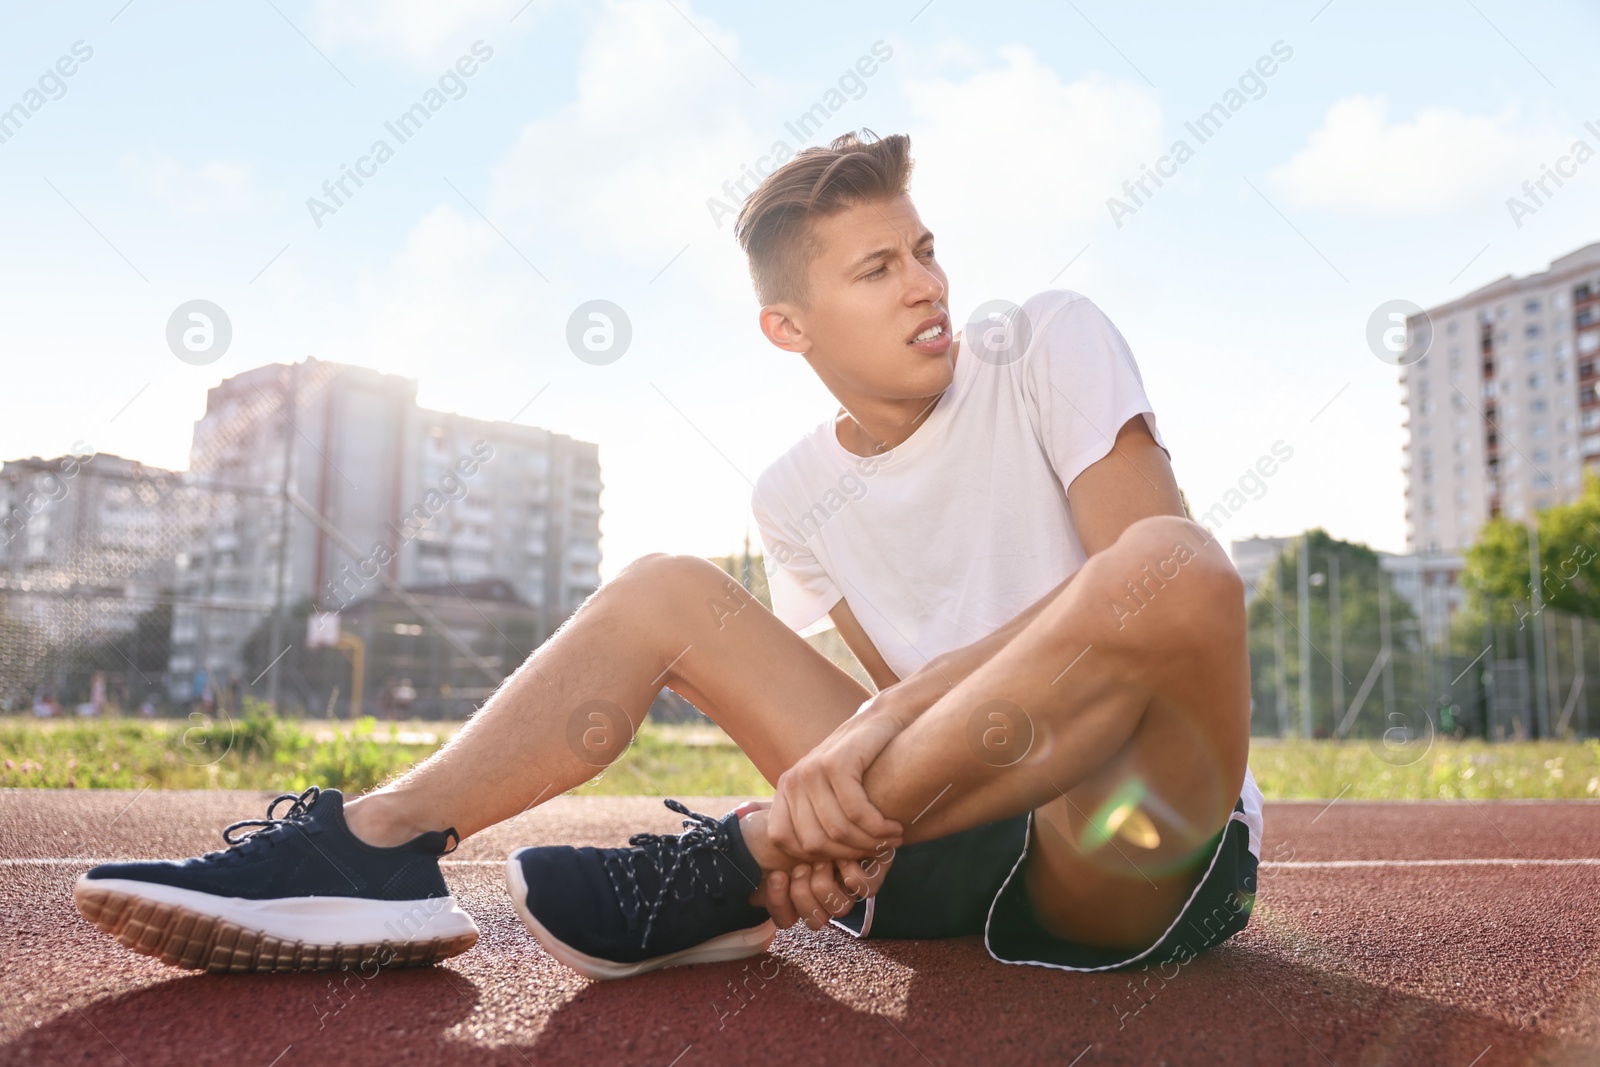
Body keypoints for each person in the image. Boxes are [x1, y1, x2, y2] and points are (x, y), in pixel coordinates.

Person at [73, 131, 1261, 980]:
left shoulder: (1046, 339)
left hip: (1128, 831)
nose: (928, 285)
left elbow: (1142, 596)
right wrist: (857, 764)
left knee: (1174, 559)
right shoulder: (796, 490)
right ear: (787, 329)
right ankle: (373, 845)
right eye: (877, 268)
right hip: (939, 825)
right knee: (663, 586)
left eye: (924, 249)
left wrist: (848, 758)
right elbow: (907, 702)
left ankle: (746, 857)